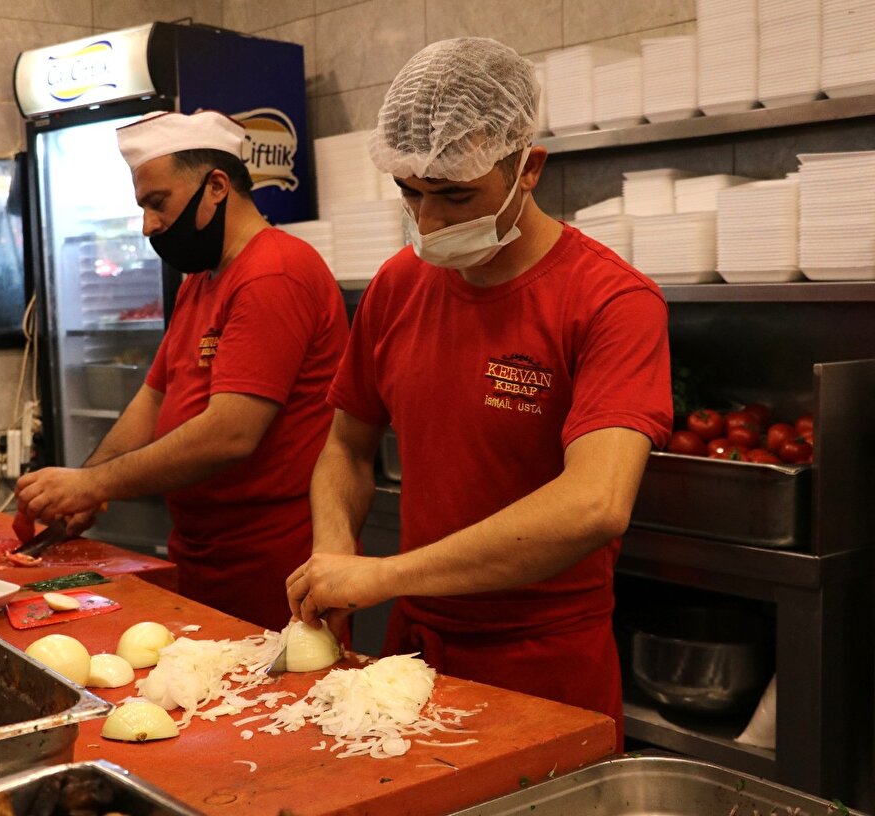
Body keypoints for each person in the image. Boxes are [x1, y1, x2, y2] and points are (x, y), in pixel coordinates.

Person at [285, 38, 672, 748]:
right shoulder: (399, 286)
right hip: (413, 652)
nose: (428, 224)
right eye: (412, 191)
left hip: (545, 663)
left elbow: (596, 503)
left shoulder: (612, 301)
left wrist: (385, 574)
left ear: (529, 169)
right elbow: (346, 444)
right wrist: (334, 554)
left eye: (456, 194)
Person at [16, 110, 349, 631]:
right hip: (201, 554)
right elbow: (154, 398)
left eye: (157, 203)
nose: (148, 224)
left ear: (216, 186)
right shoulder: (203, 278)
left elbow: (230, 434)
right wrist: (88, 487)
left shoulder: (274, 273)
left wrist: (91, 483)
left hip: (272, 564)